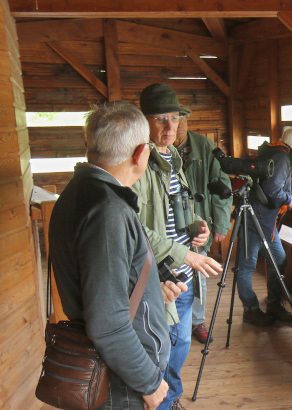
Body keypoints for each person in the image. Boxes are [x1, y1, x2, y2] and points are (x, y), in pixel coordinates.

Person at [49, 101, 183, 409]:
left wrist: (150, 288)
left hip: (115, 369)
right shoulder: (107, 212)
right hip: (121, 382)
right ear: (140, 154)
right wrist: (148, 382)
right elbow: (107, 323)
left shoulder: (79, 193)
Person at [132, 83, 223, 410]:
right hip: (159, 276)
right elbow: (134, 229)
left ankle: (168, 399)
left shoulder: (172, 158)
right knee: (162, 348)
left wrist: (201, 225)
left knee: (181, 342)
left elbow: (182, 208)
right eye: (160, 119)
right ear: (145, 121)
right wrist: (189, 255)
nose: (171, 126)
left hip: (183, 272)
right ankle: (162, 402)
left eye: (175, 117)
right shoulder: (139, 164)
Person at [235, 126, 292, 326]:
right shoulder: (282, 158)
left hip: (265, 221)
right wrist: (290, 200)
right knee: (246, 267)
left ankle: (273, 305)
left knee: (279, 260)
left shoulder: (279, 155)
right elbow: (272, 191)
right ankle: (251, 310)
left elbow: (290, 181)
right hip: (255, 221)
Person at [174, 106, 232, 344]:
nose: (174, 128)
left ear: (186, 122)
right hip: (169, 224)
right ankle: (173, 321)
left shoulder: (204, 146)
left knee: (199, 271)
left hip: (199, 224)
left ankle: (197, 322)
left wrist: (220, 223)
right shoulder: (155, 147)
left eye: (179, 122)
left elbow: (221, 185)